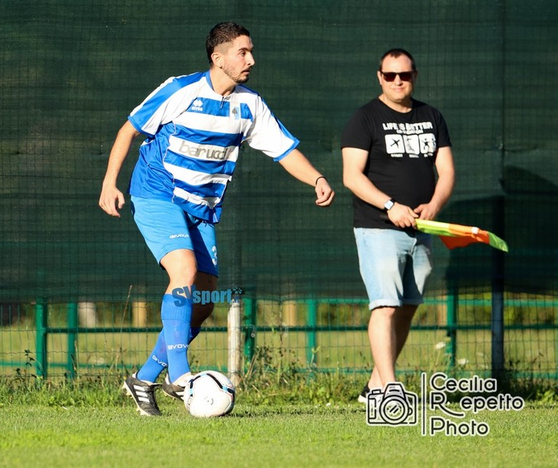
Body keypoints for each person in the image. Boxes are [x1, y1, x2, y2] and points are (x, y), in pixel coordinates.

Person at [99, 22, 335, 416]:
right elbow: (129, 130)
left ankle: (143, 380)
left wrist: (317, 177)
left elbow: (282, 149)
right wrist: (110, 183)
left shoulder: (250, 105)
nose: (251, 60)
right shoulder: (180, 89)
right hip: (157, 193)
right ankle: (179, 376)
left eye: (251, 51)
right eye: (243, 52)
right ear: (218, 58)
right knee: (185, 271)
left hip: (201, 208)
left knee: (205, 301)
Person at [340, 49, 455, 402]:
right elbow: (351, 176)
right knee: (385, 305)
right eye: (390, 76)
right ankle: (391, 389)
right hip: (378, 227)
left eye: (403, 75)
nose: (397, 81)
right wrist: (390, 206)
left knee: (407, 306)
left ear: (414, 75)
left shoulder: (431, 116)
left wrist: (434, 205)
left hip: (422, 230)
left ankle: (375, 387)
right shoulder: (365, 118)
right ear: (379, 77)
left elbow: (447, 170)